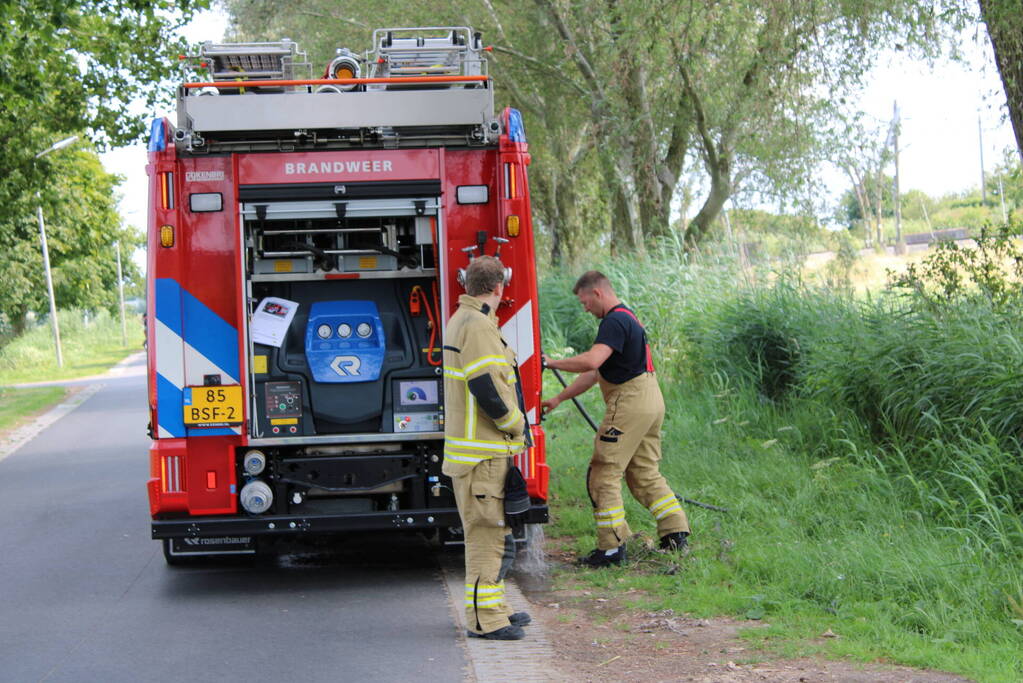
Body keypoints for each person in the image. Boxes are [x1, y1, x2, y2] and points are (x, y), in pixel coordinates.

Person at [542, 270, 690, 567]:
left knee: (604, 471)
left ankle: (611, 548)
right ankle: (675, 533)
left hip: (630, 402)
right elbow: (595, 373)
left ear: (597, 293)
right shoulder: (628, 318)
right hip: (650, 399)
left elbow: (591, 361)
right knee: (643, 471)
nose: (585, 308)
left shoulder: (614, 321)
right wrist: (559, 398)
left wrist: (550, 362)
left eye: (585, 302)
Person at [442, 255, 532, 640]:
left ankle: (496, 608)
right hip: (482, 454)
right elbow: (485, 386)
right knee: (486, 537)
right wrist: (515, 424)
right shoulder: (477, 325)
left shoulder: (465, 319)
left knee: (497, 536)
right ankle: (485, 620)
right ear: (499, 287)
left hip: (478, 453)